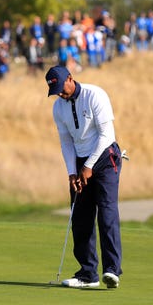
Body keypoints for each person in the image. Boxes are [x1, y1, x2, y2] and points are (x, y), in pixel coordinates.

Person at [45, 65, 123, 289]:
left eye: (62, 88)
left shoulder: (95, 95)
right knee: (80, 217)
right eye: (55, 91)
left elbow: (106, 134)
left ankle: (111, 270)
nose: (60, 94)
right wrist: (72, 172)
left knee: (106, 211)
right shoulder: (58, 108)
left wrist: (88, 166)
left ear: (70, 78)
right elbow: (66, 142)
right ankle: (88, 274)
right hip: (80, 161)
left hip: (105, 157)